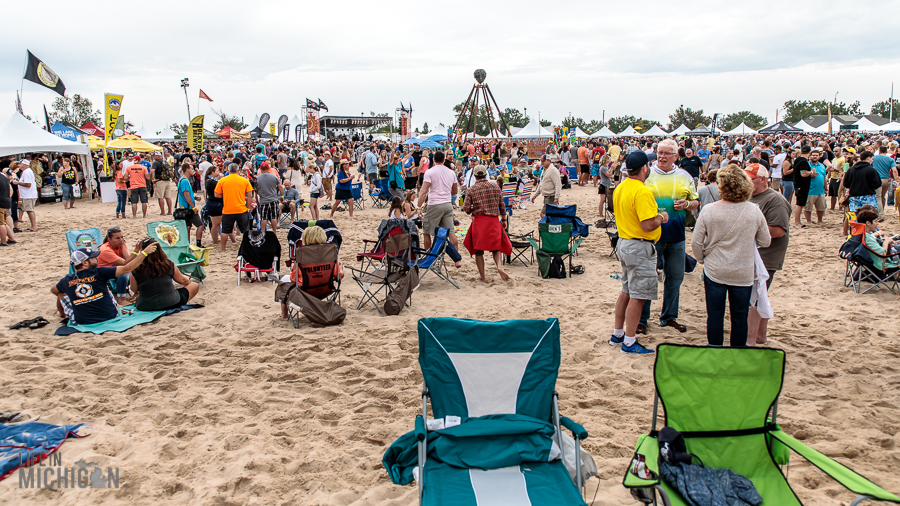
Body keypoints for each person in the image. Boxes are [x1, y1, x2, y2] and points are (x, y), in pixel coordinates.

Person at [692, 165, 771, 347]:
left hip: (715, 269)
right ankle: (737, 353)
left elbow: (696, 242)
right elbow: (765, 241)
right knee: (739, 315)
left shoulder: (709, 210)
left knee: (715, 314)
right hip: (742, 270)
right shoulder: (753, 210)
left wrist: (703, 259)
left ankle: (715, 350)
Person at [608, 151, 667, 355]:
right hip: (639, 245)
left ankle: (618, 334)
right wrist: (661, 217)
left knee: (626, 290)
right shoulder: (642, 191)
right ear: (644, 168)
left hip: (625, 242)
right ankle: (630, 341)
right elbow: (648, 224)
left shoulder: (621, 186)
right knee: (638, 295)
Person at [639, 139, 699, 334]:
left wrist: (687, 205)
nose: (662, 156)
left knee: (675, 278)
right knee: (648, 278)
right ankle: (642, 320)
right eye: (660, 152)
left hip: (677, 236)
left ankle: (669, 316)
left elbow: (696, 201)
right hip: (651, 236)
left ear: (675, 156)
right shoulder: (646, 174)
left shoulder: (684, 176)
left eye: (667, 153)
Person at [52, 240, 158, 325]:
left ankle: (62, 315)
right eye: (93, 258)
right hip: (110, 315)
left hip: (84, 321)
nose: (96, 258)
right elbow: (127, 268)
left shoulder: (66, 280)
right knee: (104, 288)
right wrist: (144, 253)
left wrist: (74, 292)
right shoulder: (99, 272)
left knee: (61, 293)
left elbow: (54, 290)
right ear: (84, 262)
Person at [747, 164, 792, 346]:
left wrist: (746, 232)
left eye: (751, 179)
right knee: (759, 297)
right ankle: (759, 336)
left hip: (766, 256)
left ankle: (750, 340)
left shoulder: (775, 199)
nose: (747, 183)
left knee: (754, 298)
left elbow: (778, 230)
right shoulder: (750, 197)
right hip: (752, 255)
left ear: (763, 179)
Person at [463, 165, 510, 282]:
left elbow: (466, 209)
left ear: (474, 176)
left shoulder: (471, 189)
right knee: (496, 247)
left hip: (479, 222)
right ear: (486, 174)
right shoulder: (495, 186)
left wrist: (474, 207)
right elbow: (502, 205)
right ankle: (499, 266)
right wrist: (503, 220)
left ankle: (483, 277)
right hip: (493, 220)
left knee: (478, 251)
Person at [129, 238, 200, 311]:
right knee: (194, 285)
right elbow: (183, 280)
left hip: (145, 306)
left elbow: (134, 289)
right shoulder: (167, 264)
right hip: (171, 303)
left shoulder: (136, 269)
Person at [417, 151, 459, 251]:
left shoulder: (429, 172)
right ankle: (457, 259)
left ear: (434, 160)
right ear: (444, 160)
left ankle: (428, 256)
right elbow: (455, 191)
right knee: (451, 232)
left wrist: (419, 207)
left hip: (434, 204)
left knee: (427, 232)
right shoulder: (451, 172)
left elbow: (423, 192)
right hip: (447, 204)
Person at [214, 163, 254, 253]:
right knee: (246, 230)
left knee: (225, 230)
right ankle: (248, 249)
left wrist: (226, 195)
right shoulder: (244, 180)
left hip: (228, 209)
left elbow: (216, 194)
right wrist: (248, 207)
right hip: (241, 209)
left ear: (228, 171)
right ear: (238, 170)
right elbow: (250, 195)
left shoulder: (222, 180)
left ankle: (223, 249)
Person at [97, 226, 134, 305]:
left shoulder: (122, 243)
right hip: (103, 271)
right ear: (109, 240)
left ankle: (137, 293)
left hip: (114, 268)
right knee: (123, 272)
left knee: (135, 268)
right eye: (117, 238)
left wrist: (123, 246)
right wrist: (136, 251)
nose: (121, 240)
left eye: (122, 237)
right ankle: (121, 299)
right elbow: (126, 263)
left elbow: (128, 259)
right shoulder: (105, 250)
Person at [176, 163, 205, 246]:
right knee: (200, 225)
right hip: (188, 208)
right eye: (192, 169)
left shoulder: (182, 180)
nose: (194, 171)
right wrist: (193, 207)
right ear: (187, 169)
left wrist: (195, 197)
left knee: (187, 227)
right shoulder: (185, 180)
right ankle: (198, 243)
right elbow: (186, 195)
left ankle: (187, 243)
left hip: (183, 207)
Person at [256, 162, 283, 231]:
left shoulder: (257, 178)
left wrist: (257, 200)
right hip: (273, 199)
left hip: (263, 200)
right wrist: (282, 196)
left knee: (263, 217)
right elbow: (280, 187)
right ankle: (274, 231)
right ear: (268, 168)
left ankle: (263, 232)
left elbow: (256, 190)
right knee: (273, 217)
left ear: (260, 168)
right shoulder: (273, 176)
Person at [802, 149, 827, 224]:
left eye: (816, 155)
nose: (815, 157)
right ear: (810, 156)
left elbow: (824, 177)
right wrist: (811, 175)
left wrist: (826, 188)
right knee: (808, 207)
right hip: (810, 190)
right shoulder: (807, 165)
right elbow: (803, 175)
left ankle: (820, 220)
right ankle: (809, 221)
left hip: (821, 190)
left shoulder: (822, 165)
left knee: (821, 207)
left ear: (819, 156)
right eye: (813, 155)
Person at [204, 164, 225, 246]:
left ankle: (215, 240)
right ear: (212, 172)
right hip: (215, 203)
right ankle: (215, 241)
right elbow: (220, 186)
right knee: (216, 224)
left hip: (215, 202)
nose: (218, 173)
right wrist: (221, 178)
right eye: (216, 171)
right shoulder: (211, 181)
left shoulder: (210, 180)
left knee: (216, 223)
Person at [792, 147, 813, 227]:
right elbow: (803, 173)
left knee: (799, 203)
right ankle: (797, 222)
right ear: (809, 152)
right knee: (799, 204)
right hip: (801, 185)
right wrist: (811, 172)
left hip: (798, 184)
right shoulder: (803, 161)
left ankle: (797, 221)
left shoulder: (798, 160)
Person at [14, 160, 37, 232]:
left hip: (28, 194)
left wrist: (18, 183)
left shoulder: (27, 172)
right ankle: (33, 226)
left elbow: (28, 184)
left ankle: (33, 227)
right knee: (30, 210)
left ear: (24, 164)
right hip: (28, 194)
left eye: (20, 164)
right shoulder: (27, 171)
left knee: (29, 210)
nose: (19, 165)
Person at [873, 145, 897, 215]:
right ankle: (882, 210)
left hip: (877, 179)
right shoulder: (890, 159)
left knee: (878, 196)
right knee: (883, 196)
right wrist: (896, 180)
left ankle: (880, 213)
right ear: (886, 151)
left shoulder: (874, 158)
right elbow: (894, 170)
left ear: (879, 151)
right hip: (887, 179)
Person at [125, 155, 149, 219]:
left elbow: (125, 177)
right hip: (142, 185)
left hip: (133, 186)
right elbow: (147, 177)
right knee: (144, 201)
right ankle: (144, 215)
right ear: (139, 160)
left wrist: (130, 177)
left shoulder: (128, 168)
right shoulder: (143, 167)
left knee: (134, 202)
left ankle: (134, 216)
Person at [0, 168, 16, 246]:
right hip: (7, 202)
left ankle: (3, 242)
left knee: (1, 223)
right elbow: (10, 190)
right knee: (3, 222)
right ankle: (11, 238)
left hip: (1, 203)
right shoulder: (6, 179)